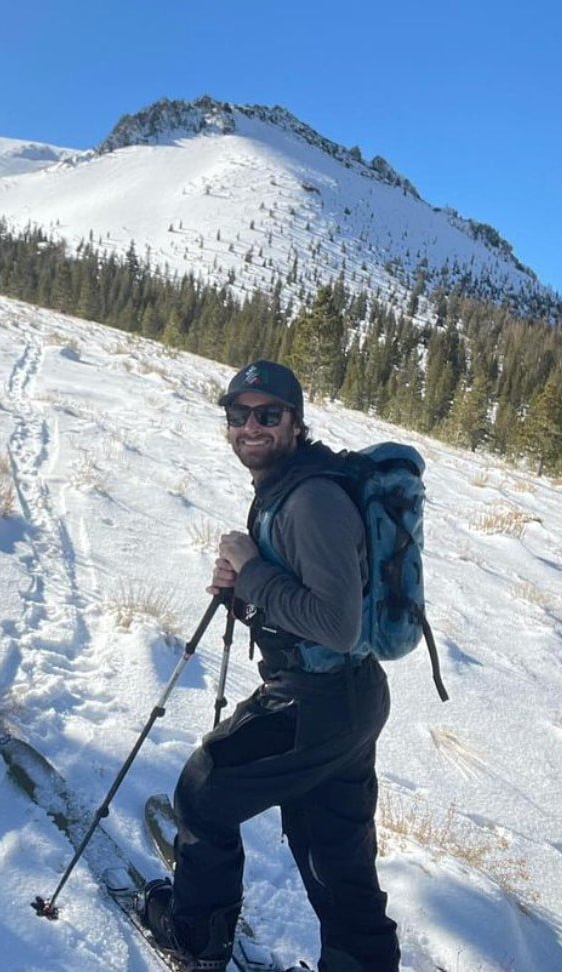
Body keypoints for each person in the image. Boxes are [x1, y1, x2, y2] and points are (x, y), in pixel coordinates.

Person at [142, 360, 400, 971]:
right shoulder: (294, 485)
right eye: (238, 414)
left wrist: (251, 569)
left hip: (314, 702)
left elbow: (338, 627)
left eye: (268, 414)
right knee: (335, 858)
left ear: (296, 421)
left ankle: (194, 940)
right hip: (349, 702)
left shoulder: (312, 500)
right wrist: (247, 588)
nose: (250, 427)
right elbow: (314, 598)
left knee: (204, 792)